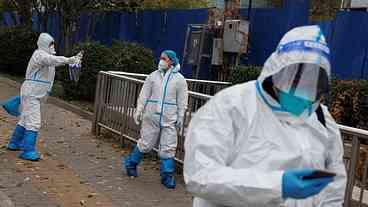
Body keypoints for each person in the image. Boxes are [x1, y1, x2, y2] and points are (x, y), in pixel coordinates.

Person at [184, 25, 347, 206]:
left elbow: (334, 187)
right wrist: (279, 185)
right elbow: (200, 174)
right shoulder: (231, 106)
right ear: (276, 68)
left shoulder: (322, 121)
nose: (299, 86)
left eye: (311, 80)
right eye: (292, 76)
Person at [4, 33, 82, 161]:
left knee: (25, 119)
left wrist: (72, 60)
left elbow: (52, 62)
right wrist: (69, 60)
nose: (53, 46)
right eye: (51, 44)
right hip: (32, 94)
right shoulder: (40, 55)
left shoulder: (45, 56)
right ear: (45, 44)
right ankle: (28, 150)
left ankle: (14, 143)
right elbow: (51, 60)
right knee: (34, 122)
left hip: (35, 94)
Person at [123, 50, 188, 189]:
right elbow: (144, 94)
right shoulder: (152, 76)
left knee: (168, 147)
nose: (161, 60)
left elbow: (182, 100)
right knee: (145, 143)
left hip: (169, 118)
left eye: (164, 58)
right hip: (151, 116)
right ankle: (131, 165)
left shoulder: (180, 80)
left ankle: (167, 176)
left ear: (171, 60)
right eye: (161, 58)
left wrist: (181, 116)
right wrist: (139, 110)